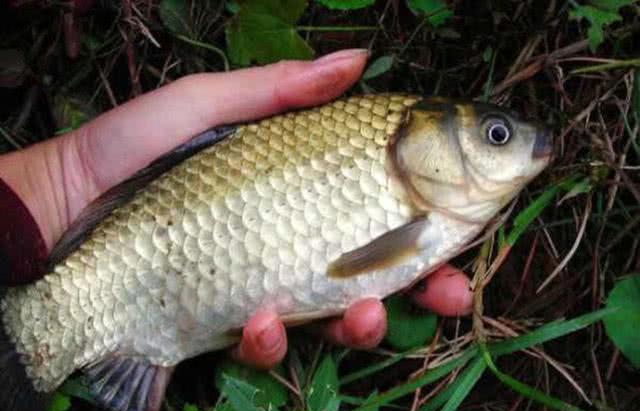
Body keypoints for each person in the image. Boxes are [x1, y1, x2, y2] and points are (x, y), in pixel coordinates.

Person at [0, 48, 472, 369]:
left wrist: (63, 179)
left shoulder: (424, 217)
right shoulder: (420, 218)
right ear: (418, 137)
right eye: (495, 136)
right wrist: (64, 180)